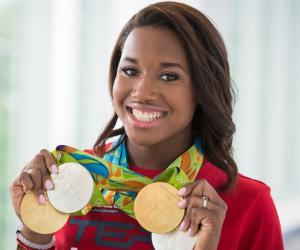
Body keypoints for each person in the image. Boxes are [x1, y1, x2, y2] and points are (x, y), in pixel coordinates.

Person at [10, 1, 284, 249]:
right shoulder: (66, 178)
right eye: (130, 71)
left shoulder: (249, 204)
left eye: (168, 76)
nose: (141, 92)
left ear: (202, 89)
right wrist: (35, 231)